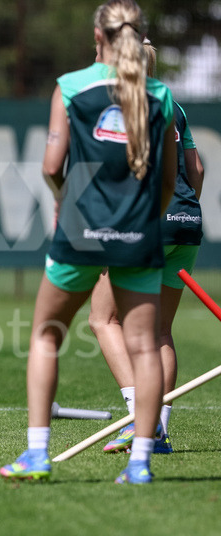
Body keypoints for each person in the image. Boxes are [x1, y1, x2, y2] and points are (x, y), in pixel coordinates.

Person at [0, 0, 177, 484]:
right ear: (138, 35)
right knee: (145, 347)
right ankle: (139, 463)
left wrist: (64, 201)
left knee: (46, 334)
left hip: (79, 233)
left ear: (97, 36)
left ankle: (37, 455)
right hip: (139, 235)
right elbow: (168, 180)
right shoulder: (159, 94)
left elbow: (52, 167)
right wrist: (144, 219)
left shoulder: (71, 87)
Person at [88, 39, 204, 455]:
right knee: (160, 331)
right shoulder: (174, 103)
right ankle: (160, 431)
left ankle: (143, 421)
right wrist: (183, 213)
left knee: (104, 320)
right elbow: (197, 169)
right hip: (187, 225)